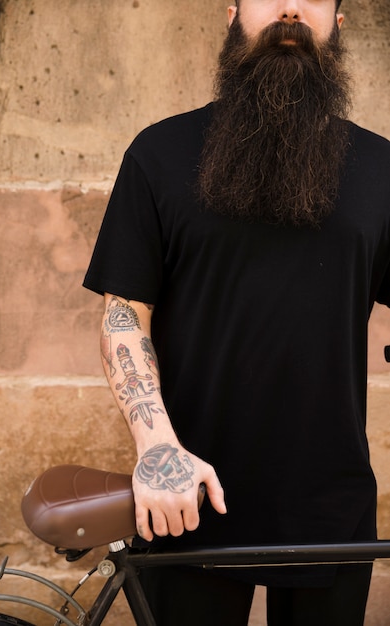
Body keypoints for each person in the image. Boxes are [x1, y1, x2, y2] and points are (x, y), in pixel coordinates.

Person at [83, 0, 390, 624]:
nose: (289, 8)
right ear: (232, 14)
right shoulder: (159, 153)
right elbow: (124, 315)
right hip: (187, 497)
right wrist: (156, 450)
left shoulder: (383, 169)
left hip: (332, 509)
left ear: (338, 24)